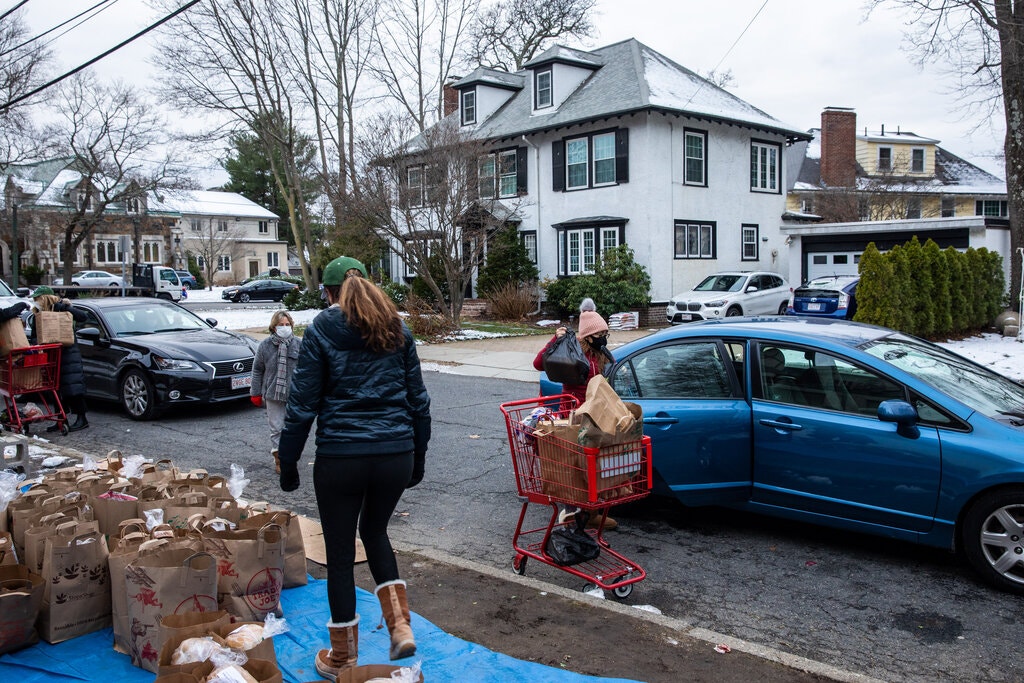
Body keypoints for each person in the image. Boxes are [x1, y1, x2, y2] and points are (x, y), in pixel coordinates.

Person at [276, 256, 431, 679]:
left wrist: (287, 463)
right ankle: (399, 626)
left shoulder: (322, 330)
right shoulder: (398, 331)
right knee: (376, 531)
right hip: (394, 454)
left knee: (341, 556)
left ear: (328, 293)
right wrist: (417, 456)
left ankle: (343, 657)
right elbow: (419, 401)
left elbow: (302, 405)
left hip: (341, 458)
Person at [533, 303, 618, 530]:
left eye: (605, 334)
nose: (604, 338)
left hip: (593, 414)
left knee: (593, 464)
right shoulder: (571, 350)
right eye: (600, 334)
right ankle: (571, 514)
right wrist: (554, 340)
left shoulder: (600, 355)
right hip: (571, 414)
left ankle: (592, 513)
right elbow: (538, 364)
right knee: (573, 466)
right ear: (588, 336)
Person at [27, 286, 89, 432]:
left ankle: (82, 418)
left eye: (37, 299)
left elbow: (83, 316)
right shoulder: (38, 315)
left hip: (68, 354)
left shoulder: (63, 307)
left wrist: (64, 308)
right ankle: (61, 418)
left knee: (72, 387)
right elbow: (36, 336)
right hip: (50, 355)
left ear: (45, 298)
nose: (36, 302)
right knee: (54, 388)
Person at [250, 310, 301, 474]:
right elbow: (257, 370)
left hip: (294, 394)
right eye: (281, 325)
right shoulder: (265, 346)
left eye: (287, 325)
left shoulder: (299, 345)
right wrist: (255, 392)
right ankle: (279, 459)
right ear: (274, 327)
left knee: (293, 428)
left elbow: (307, 370)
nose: (284, 328)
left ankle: (291, 457)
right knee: (277, 428)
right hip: (273, 394)